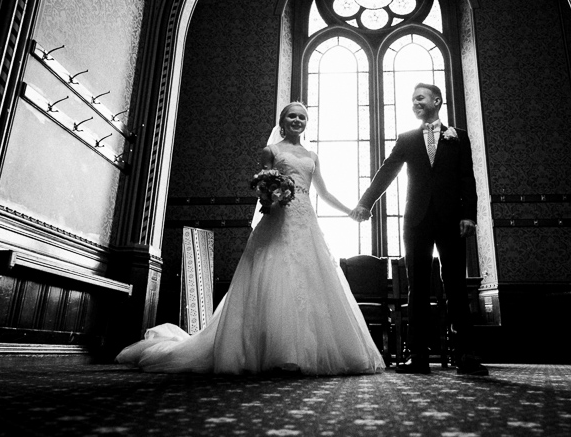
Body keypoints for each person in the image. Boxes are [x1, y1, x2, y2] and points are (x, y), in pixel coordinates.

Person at [117, 102, 384, 375]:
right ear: (282, 121)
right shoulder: (272, 151)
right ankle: (275, 353)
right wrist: (270, 195)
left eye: (302, 117)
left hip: (306, 222)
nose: (297, 120)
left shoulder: (312, 156)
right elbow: (262, 185)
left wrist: (351, 211)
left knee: (310, 278)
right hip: (278, 219)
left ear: (307, 122)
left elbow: (324, 193)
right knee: (275, 276)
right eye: (292, 116)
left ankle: (305, 352)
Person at [351, 83, 487, 376]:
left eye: (420, 98)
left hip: (452, 219)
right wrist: (365, 204)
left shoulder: (458, 137)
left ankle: (466, 354)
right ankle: (418, 355)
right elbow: (386, 171)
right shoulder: (407, 139)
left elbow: (467, 178)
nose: (415, 103)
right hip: (416, 220)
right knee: (418, 288)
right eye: (412, 100)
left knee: (455, 285)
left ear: (437, 101)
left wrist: (469, 216)